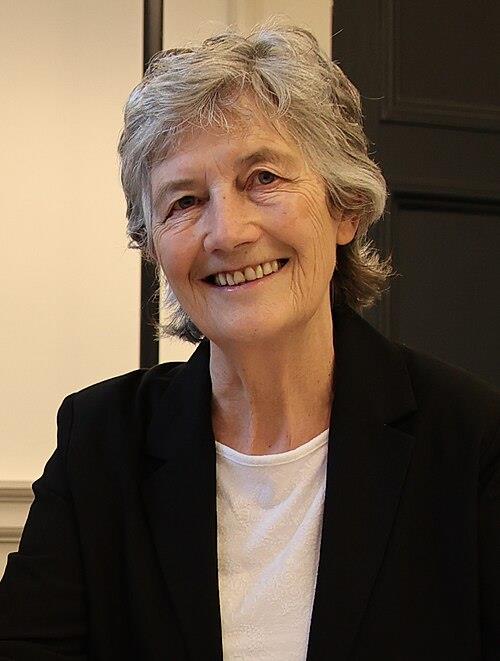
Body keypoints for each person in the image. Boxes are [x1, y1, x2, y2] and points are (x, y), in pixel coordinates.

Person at [0, 20, 498, 661]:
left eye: (263, 178)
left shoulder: (472, 440)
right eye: (183, 202)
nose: (227, 233)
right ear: (153, 248)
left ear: (345, 206)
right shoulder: (99, 441)